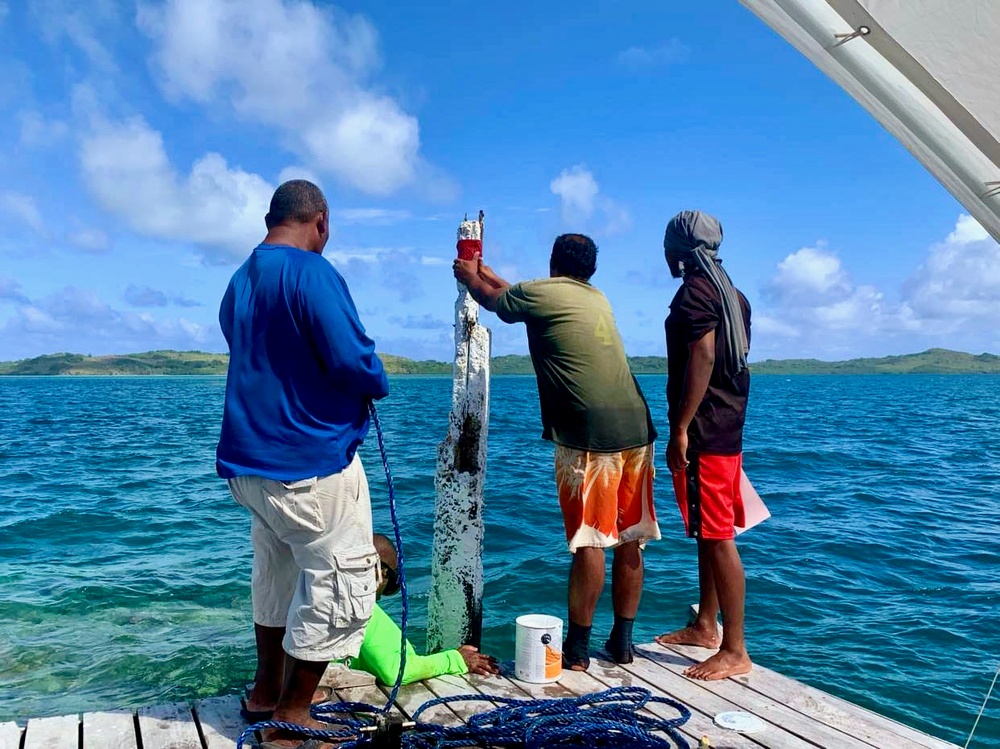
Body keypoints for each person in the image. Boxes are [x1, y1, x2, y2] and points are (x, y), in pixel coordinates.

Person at [217, 180, 389, 749]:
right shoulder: (314, 272)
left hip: (248, 469)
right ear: (321, 220)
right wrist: (375, 379)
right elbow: (352, 357)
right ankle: (292, 718)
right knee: (345, 579)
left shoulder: (239, 281)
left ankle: (265, 693)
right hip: (307, 464)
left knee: (277, 574)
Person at [453, 234, 659, 671]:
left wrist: (470, 276)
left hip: (589, 433)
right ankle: (622, 645)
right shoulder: (595, 298)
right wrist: (485, 272)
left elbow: (494, 302)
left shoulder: (541, 293)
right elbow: (513, 293)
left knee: (590, 542)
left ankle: (579, 653)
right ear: (591, 270)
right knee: (630, 539)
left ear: (552, 262)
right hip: (638, 427)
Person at [656, 210, 753, 681]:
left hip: (706, 433)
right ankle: (705, 624)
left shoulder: (696, 291)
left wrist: (681, 428)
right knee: (708, 529)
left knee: (718, 537)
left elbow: (705, 354)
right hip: (728, 429)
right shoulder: (732, 294)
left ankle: (735, 649)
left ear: (678, 250)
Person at [347, 534, 499, 685]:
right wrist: (456, 660)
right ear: (381, 572)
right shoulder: (363, 608)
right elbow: (395, 671)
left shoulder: (331, 597)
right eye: (392, 578)